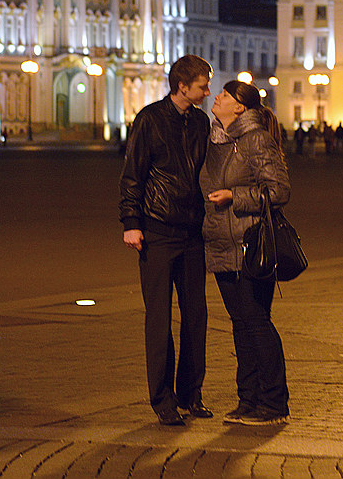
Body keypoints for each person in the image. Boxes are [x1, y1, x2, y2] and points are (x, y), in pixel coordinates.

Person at [119, 54, 213, 426]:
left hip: (192, 232)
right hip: (156, 231)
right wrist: (131, 222)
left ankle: (191, 394)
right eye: (202, 86)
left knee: (196, 318)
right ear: (182, 86)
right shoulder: (150, 119)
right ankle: (163, 399)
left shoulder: (201, 122)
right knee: (159, 320)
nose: (207, 91)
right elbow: (132, 175)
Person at [200, 79, 291, 426]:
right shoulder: (214, 141)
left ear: (240, 107)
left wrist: (234, 197)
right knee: (241, 325)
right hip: (222, 245)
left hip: (250, 244)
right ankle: (248, 400)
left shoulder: (255, 139)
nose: (217, 98)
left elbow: (278, 190)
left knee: (256, 322)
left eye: (224, 95)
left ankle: (274, 402)